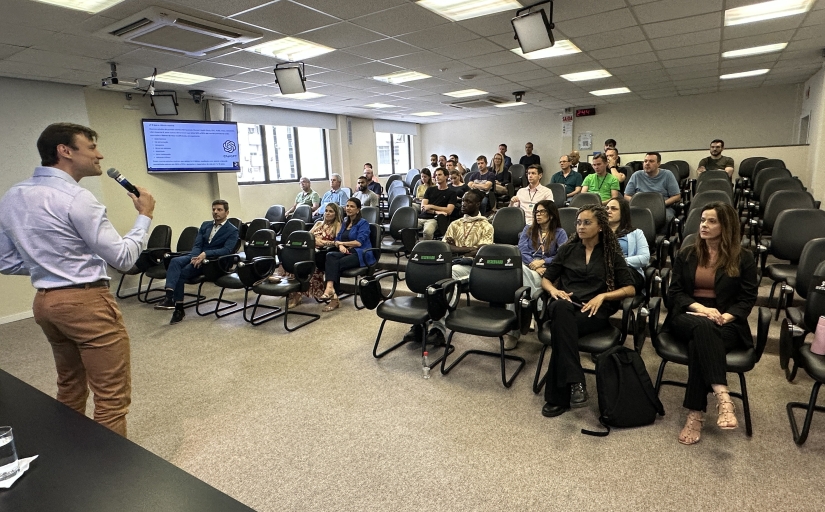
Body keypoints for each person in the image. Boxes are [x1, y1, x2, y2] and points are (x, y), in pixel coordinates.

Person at [0, 122, 156, 437]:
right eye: (91, 147)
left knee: (70, 385)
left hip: (45, 303)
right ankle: (110, 466)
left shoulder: (13, 195)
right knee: (111, 398)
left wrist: (50, 267)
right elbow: (124, 258)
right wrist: (145, 216)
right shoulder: (77, 198)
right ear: (65, 151)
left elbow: (5, 261)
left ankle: (70, 457)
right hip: (86, 304)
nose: (100, 155)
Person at [663, 202, 757, 445]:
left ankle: (695, 414)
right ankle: (722, 395)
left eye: (711, 221)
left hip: (727, 320)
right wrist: (702, 309)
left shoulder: (744, 258)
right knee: (703, 327)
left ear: (726, 225)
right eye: (703, 220)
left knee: (700, 344)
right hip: (689, 314)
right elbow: (675, 293)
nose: (704, 225)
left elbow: (747, 299)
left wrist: (726, 317)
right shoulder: (687, 253)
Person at [539, 204, 636, 418]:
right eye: (578, 222)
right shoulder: (568, 250)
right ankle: (576, 381)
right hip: (566, 305)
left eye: (587, 222)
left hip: (593, 312)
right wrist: (554, 291)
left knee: (562, 332)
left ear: (600, 226)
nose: (580, 227)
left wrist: (603, 296)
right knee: (561, 308)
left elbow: (630, 288)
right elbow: (546, 279)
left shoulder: (610, 254)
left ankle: (558, 397)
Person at [155, 200, 240, 325]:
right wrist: (196, 257)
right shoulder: (205, 225)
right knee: (174, 261)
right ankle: (169, 297)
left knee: (182, 273)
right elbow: (197, 244)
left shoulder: (232, 230)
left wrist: (205, 254)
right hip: (196, 255)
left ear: (227, 212)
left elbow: (226, 250)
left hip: (213, 261)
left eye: (219, 210)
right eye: (214, 209)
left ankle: (179, 309)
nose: (215, 212)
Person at [427, 190, 493, 346]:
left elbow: (481, 251)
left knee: (448, 276)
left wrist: (456, 248)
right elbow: (445, 247)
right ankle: (418, 325)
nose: (463, 204)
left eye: (468, 202)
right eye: (463, 200)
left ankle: (438, 329)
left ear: (478, 204)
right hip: (452, 262)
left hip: (472, 267)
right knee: (429, 275)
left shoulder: (486, 226)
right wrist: (467, 249)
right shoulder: (455, 224)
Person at [506, 200, 568, 349]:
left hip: (547, 271)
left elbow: (563, 255)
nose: (538, 215)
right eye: (536, 212)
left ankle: (513, 333)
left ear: (551, 215)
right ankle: (536, 307)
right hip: (529, 268)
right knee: (518, 274)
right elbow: (521, 250)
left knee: (516, 286)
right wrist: (533, 265)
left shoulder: (560, 233)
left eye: (542, 212)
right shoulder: (528, 229)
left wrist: (543, 262)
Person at [319, 197, 375, 312]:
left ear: (358, 210)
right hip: (346, 252)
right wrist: (340, 246)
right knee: (329, 256)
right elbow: (337, 239)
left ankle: (333, 296)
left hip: (361, 254)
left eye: (352, 206)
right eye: (347, 206)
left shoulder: (363, 223)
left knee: (334, 264)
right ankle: (331, 290)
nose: (348, 208)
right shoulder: (345, 222)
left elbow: (359, 242)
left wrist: (342, 243)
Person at [301, 203, 343, 306]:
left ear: (336, 214)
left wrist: (322, 242)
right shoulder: (318, 223)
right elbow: (307, 236)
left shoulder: (337, 225)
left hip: (323, 252)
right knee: (294, 258)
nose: (327, 213)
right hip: (310, 249)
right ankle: (296, 293)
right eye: (326, 211)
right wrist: (314, 241)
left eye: (331, 211)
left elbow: (337, 242)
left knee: (306, 261)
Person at [606, 197, 649, 294]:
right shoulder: (598, 232)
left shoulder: (636, 233)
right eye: (607, 208)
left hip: (629, 270)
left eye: (614, 209)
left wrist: (619, 262)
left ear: (623, 213)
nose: (609, 211)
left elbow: (645, 258)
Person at [624, 152, 681, 222]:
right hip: (640, 208)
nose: (647, 163)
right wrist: (638, 203)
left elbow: (677, 196)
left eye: (651, 161)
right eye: (645, 161)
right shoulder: (636, 175)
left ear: (658, 164)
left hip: (662, 208)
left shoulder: (667, 174)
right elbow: (626, 196)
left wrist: (662, 204)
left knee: (667, 219)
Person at [418, 167, 456, 240]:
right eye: (436, 175)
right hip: (422, 217)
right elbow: (423, 207)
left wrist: (431, 206)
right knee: (407, 227)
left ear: (446, 176)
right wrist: (436, 211)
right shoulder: (430, 189)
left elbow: (449, 211)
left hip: (434, 219)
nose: (437, 177)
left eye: (439, 175)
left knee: (427, 232)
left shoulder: (451, 193)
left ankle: (426, 247)